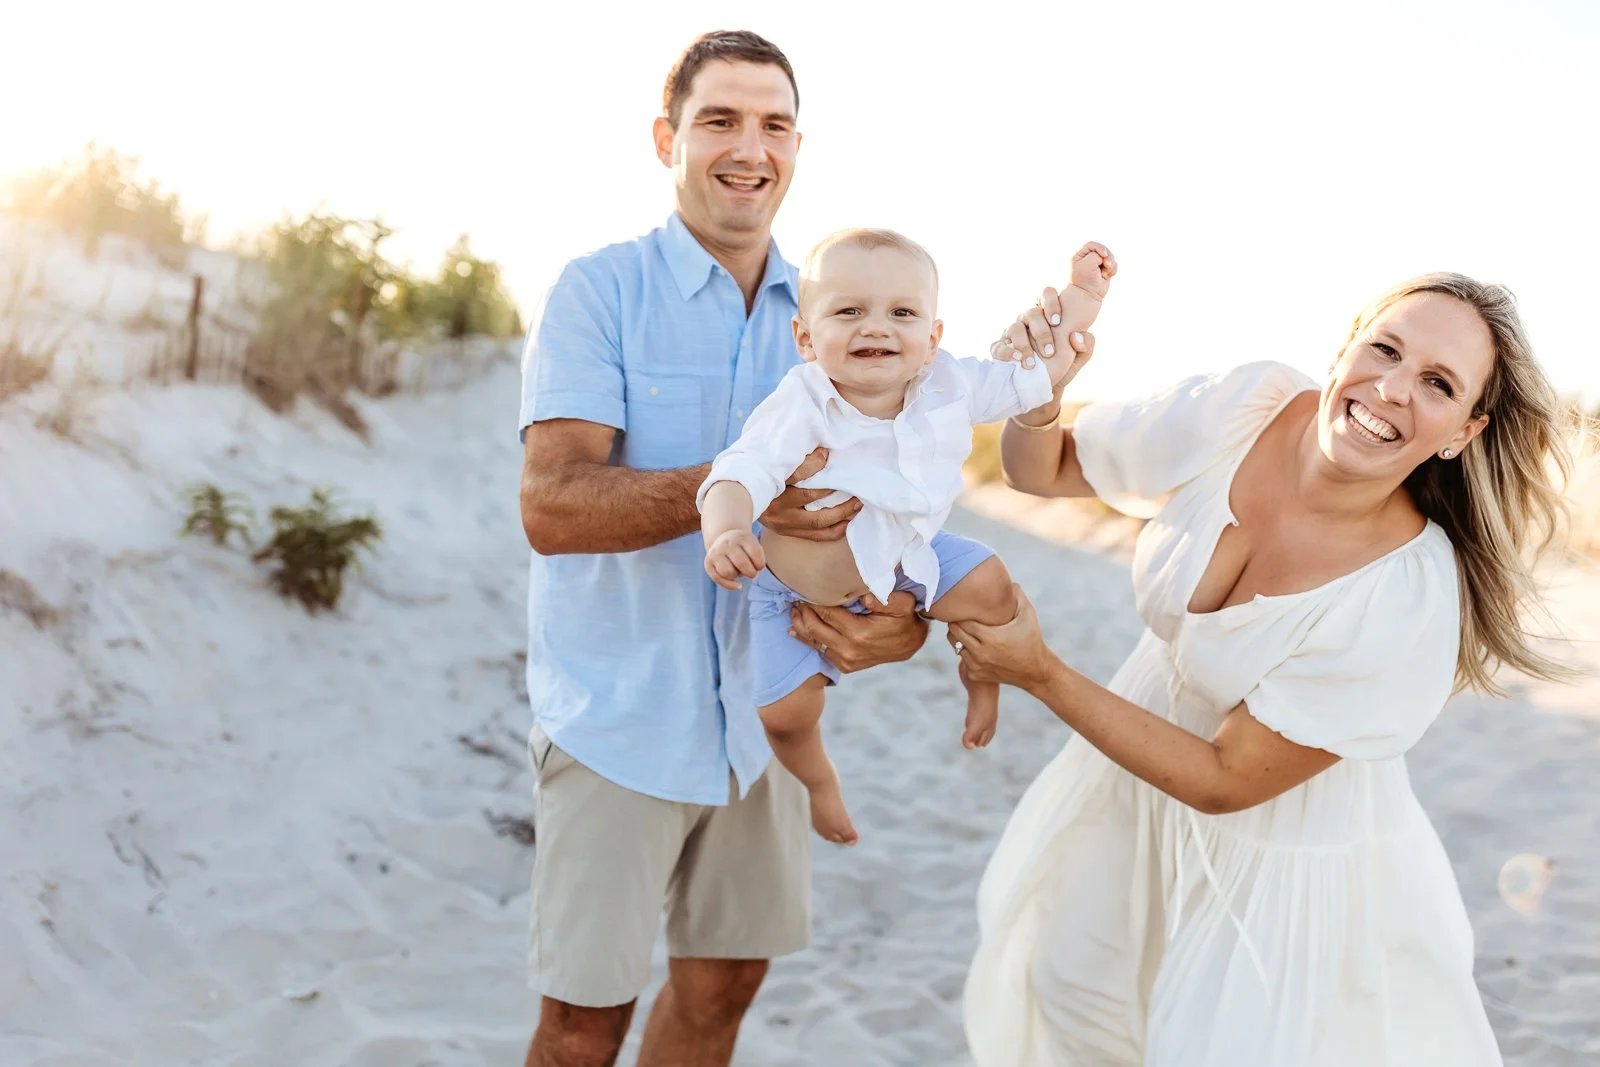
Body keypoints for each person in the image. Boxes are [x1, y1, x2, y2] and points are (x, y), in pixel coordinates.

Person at [948, 272, 1573, 1065]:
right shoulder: (1245, 406)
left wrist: (1041, 672)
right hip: (1126, 783)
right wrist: (1039, 398)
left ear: (1463, 430)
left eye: (1438, 383)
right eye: (1385, 348)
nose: (1391, 387)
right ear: (1346, 344)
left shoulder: (1407, 590)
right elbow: (1042, 471)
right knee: (1077, 1007)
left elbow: (1225, 780)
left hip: (1278, 853)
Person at [516, 31, 929, 1067]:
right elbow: (553, 505)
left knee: (724, 991)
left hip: (764, 726)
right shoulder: (599, 290)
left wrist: (892, 625)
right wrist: (739, 490)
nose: (750, 148)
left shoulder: (845, 313)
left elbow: (899, 509)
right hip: (620, 716)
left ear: (797, 146)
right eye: (720, 120)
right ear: (669, 138)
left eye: (774, 124)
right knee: (581, 1025)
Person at [699, 229, 1114, 845]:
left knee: (996, 586)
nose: (876, 327)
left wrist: (1083, 295)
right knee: (784, 717)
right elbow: (740, 470)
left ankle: (982, 678)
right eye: (848, 311)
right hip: (791, 589)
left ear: (932, 338)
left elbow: (1040, 371)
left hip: (908, 558)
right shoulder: (802, 402)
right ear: (806, 338)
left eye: (902, 312)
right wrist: (728, 528)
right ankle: (818, 783)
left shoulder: (949, 383)